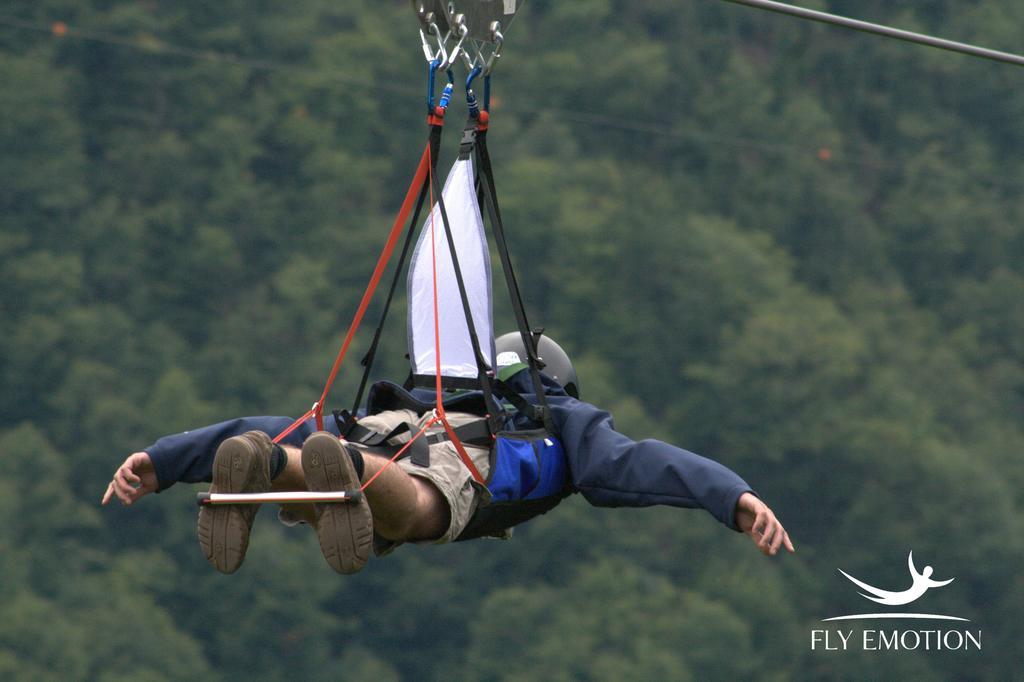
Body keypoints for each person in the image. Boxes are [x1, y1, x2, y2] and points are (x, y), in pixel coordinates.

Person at [102, 334, 795, 575]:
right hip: (466, 464)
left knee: (305, 450)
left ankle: (275, 467)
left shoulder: (423, 392)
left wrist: (164, 460)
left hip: (387, 427)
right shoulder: (556, 418)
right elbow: (639, 463)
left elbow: (278, 420)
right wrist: (730, 496)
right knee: (417, 509)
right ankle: (345, 468)